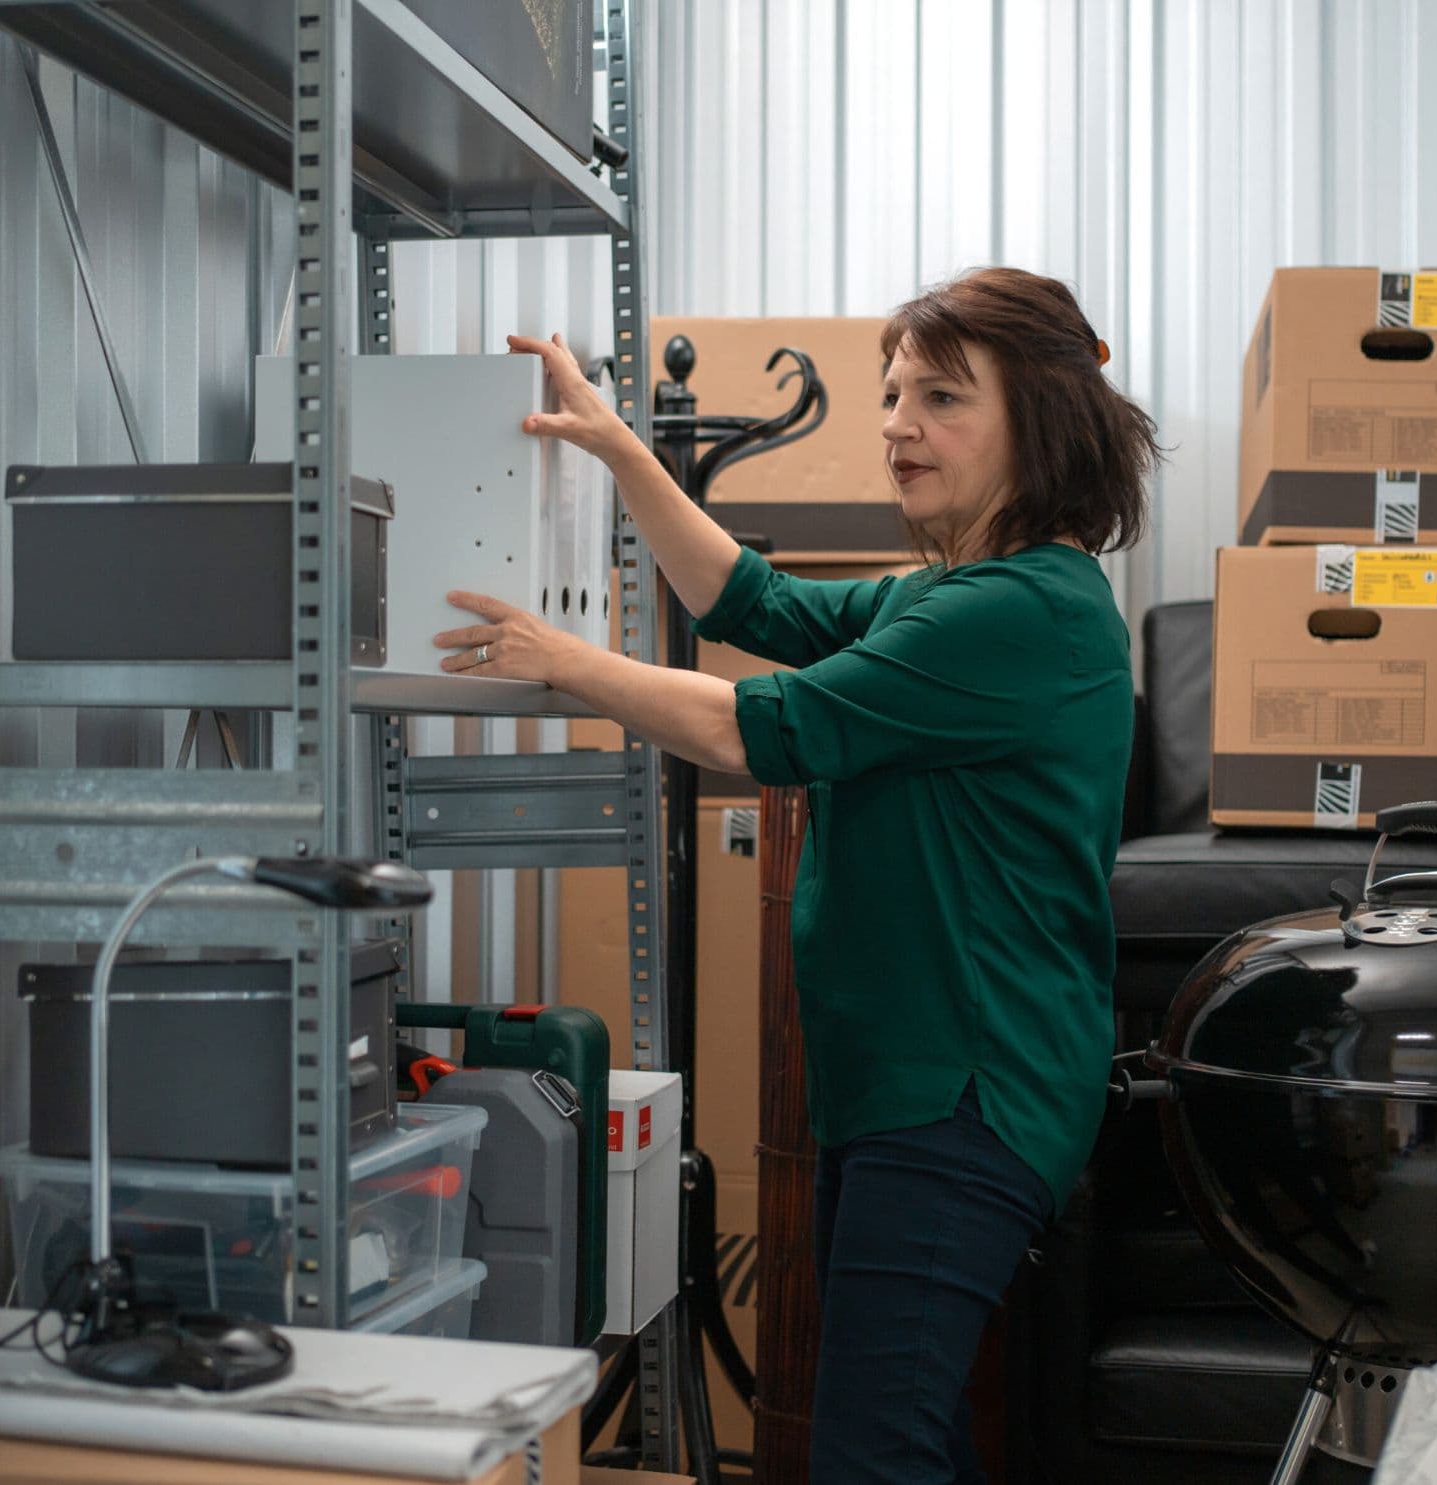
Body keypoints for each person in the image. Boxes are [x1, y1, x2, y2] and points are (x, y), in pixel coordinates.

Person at [433, 267, 1153, 1485]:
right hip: (913, 1089)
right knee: (904, 1434)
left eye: (940, 397)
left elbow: (756, 730)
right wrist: (617, 449)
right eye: (889, 395)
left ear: (1040, 415)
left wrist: (562, 660)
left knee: (876, 1453)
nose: (896, 425)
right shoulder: (965, 595)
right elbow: (748, 600)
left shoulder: (1026, 613)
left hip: (965, 1095)